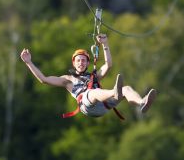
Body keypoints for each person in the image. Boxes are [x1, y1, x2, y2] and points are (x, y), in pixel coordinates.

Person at [20, 33, 157, 118]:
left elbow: (108, 65)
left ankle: (141, 102)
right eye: (78, 60)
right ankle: (114, 92)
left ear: (87, 63)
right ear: (74, 63)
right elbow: (44, 79)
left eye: (84, 60)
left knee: (126, 89)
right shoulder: (67, 80)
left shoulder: (93, 76)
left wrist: (105, 44)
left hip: (103, 107)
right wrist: (28, 62)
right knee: (93, 92)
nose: (81, 63)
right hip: (87, 107)